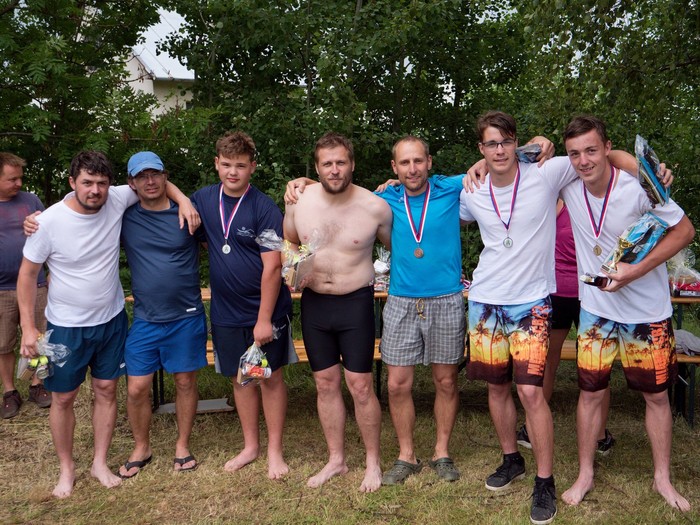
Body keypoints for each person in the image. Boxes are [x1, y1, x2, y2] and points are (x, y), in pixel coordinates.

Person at [17, 150, 199, 498]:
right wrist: (28, 327)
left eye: (101, 183)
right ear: (72, 183)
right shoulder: (48, 221)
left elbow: (158, 184)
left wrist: (184, 199)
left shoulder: (116, 199)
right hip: (66, 325)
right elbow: (27, 275)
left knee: (106, 390)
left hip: (112, 319)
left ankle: (99, 463)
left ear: (112, 185)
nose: (95, 190)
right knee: (63, 397)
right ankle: (67, 469)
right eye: (87, 183)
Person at [558, 115, 694, 511]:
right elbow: (518, 159)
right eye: (574, 154)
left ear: (607, 148)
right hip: (596, 313)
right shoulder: (568, 185)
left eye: (591, 150)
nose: (583, 161)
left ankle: (662, 478)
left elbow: (685, 231)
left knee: (656, 396)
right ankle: (585, 473)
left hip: (646, 313)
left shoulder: (638, 188)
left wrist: (634, 271)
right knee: (589, 393)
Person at [283, 132, 392, 492]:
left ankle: (373, 462)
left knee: (360, 385)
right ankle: (336, 459)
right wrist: (292, 269)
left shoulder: (375, 207)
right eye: (327, 163)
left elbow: (399, 249)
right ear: (316, 168)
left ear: (352, 164)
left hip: (355, 303)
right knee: (325, 383)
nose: (334, 169)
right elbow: (289, 242)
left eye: (340, 162)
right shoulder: (299, 200)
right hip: (314, 303)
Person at [190, 131, 293, 480]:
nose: (232, 172)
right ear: (216, 164)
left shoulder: (264, 207)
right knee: (242, 378)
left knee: (270, 378)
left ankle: (275, 450)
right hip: (226, 311)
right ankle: (251, 446)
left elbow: (273, 267)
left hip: (264, 311)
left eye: (240, 165)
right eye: (226, 164)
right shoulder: (204, 199)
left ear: (252, 167)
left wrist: (263, 319)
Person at [117, 152, 207, 478]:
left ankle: (182, 445)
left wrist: (183, 199)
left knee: (185, 381)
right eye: (142, 176)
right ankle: (142, 446)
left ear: (165, 176)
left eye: (155, 174)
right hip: (146, 318)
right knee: (136, 387)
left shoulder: (189, 215)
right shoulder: (124, 218)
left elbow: (220, 248)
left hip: (186, 315)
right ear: (131, 183)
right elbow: (82, 205)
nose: (150, 181)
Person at [516, 200, 614, 455]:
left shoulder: (600, 202)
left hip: (593, 293)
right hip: (560, 291)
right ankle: (532, 429)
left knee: (595, 365)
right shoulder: (558, 201)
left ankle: (598, 435)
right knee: (549, 360)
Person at [0, 153, 51, 418]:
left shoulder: (31, 201)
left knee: (40, 337)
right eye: (12, 179)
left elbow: (50, 235)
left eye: (20, 177)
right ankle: (9, 391)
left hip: (36, 284)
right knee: (3, 343)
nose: (19, 183)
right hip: (1, 290)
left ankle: (37, 384)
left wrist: (52, 273)